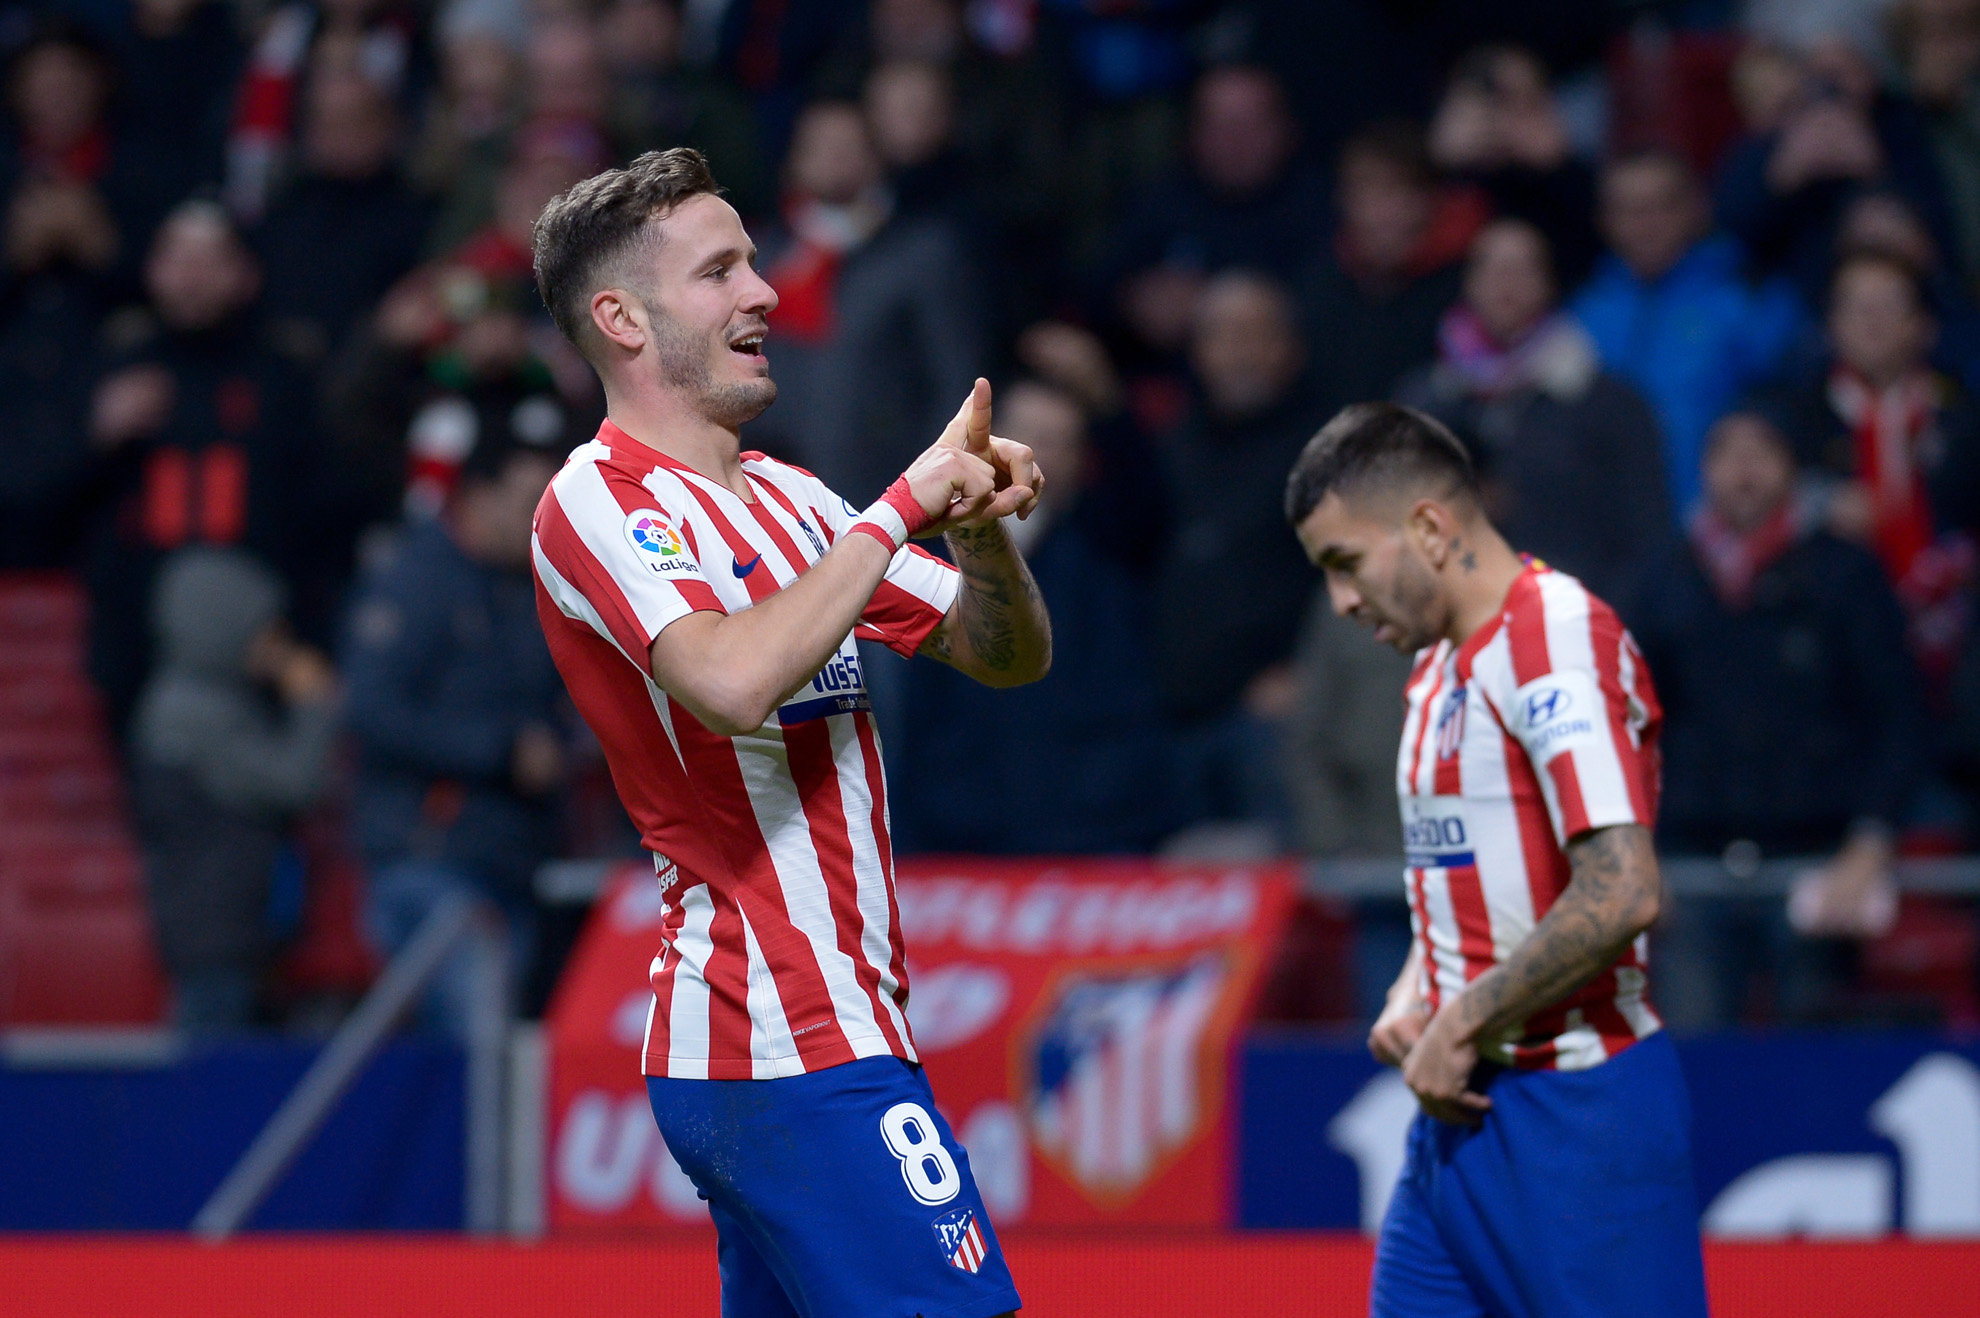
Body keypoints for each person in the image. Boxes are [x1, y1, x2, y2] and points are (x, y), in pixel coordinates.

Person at [528, 148, 1043, 1317]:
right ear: (621, 317)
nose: (764, 293)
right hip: (777, 1034)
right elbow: (729, 681)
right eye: (720, 271)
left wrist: (975, 532)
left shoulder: (800, 503)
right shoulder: (600, 502)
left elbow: (1004, 654)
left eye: (753, 262)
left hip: (837, 1024)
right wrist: (904, 502)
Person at [1284, 402, 1706, 1318]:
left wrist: (1461, 1016)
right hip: (1462, 1115)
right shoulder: (1438, 668)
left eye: (1346, 564)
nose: (1342, 603)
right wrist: (1417, 984)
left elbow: (1625, 888)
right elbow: (1468, 875)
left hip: (1582, 1113)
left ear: (1430, 528)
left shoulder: (1555, 637)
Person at [1623, 410, 1925, 1027]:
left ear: (1793, 468)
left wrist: (1870, 846)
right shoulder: (1663, 580)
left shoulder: (1845, 574)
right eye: (1726, 454)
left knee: (1814, 1074)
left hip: (1820, 864)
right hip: (1692, 865)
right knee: (1697, 1067)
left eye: (1762, 452)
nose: (1744, 472)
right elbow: (1620, 729)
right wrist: (1635, 851)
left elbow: (1899, 716)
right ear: (1702, 470)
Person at [340, 431, 568, 1036]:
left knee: (505, 1055)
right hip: (430, 857)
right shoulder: (416, 580)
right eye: (528, 505)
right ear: (477, 497)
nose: (541, 522)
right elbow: (371, 709)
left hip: (515, 859)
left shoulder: (535, 586)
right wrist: (501, 751)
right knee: (478, 1056)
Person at [891, 377, 1168, 855]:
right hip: (954, 846)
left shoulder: (1105, 582)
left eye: (1063, 443)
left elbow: (1127, 725)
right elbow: (915, 725)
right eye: (1030, 438)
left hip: (1079, 848)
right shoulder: (923, 565)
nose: (1043, 457)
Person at [1397, 218, 1670, 603]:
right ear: (1467, 281)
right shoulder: (1426, 402)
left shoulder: (1606, 403)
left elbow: (1646, 538)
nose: (1506, 281)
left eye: (1524, 268)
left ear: (1551, 282)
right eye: (1491, 267)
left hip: (1572, 628)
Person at [132, 547, 339, 1031]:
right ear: (220, 627)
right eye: (266, 632)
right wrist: (314, 706)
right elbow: (295, 783)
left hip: (230, 932)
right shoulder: (192, 713)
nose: (278, 646)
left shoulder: (212, 701)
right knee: (212, 1083)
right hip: (215, 938)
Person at [1573, 149, 1804, 515]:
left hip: (1722, 527)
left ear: (1696, 209)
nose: (1646, 223)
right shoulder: (1582, 313)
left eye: (1662, 206)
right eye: (1630, 210)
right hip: (1606, 532)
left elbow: (1791, 409)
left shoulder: (1748, 299)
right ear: (1605, 220)